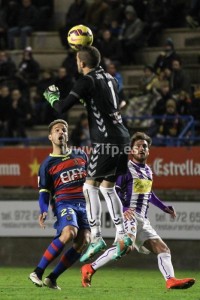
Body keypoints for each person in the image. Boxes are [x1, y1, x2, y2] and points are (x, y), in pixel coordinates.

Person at [43, 45, 132, 262]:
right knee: (107, 187)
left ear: (82, 63)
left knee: (88, 186)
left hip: (105, 141)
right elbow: (102, 102)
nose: (76, 63)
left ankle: (97, 238)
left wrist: (52, 97)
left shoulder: (86, 80)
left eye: (76, 60)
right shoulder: (110, 78)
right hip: (123, 137)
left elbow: (62, 108)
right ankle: (122, 235)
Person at [80, 132, 196, 290]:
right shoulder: (125, 168)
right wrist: (124, 209)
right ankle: (89, 268)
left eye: (145, 146)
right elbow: (113, 191)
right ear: (131, 151)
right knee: (125, 247)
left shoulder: (148, 170)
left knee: (162, 248)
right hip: (129, 215)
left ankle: (170, 280)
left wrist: (164, 207)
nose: (142, 148)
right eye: (138, 146)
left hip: (142, 218)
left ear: (149, 151)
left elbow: (149, 194)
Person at [29, 119, 90, 290]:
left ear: (67, 135)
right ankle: (38, 272)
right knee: (70, 232)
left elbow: (90, 180)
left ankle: (52, 278)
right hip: (64, 202)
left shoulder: (81, 155)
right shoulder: (47, 164)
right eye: (57, 130)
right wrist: (43, 210)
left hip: (84, 205)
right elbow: (44, 192)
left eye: (64, 129)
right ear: (50, 136)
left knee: (84, 241)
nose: (60, 132)